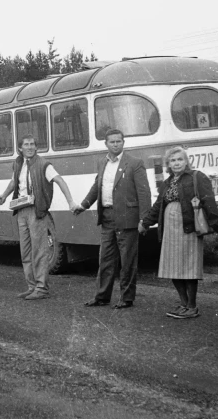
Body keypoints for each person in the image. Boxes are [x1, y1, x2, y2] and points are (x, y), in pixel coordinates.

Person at [140, 146, 218, 318]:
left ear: (186, 161)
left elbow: (209, 202)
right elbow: (158, 205)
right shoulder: (167, 182)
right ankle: (183, 303)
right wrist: (146, 222)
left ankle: (192, 306)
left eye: (180, 159)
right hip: (170, 230)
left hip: (188, 227)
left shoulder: (197, 177)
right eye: (173, 160)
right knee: (172, 266)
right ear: (168, 164)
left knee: (188, 267)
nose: (176, 163)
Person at [73, 129, 151, 309]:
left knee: (127, 260)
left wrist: (143, 219)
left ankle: (127, 298)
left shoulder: (135, 163)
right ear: (106, 144)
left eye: (119, 141)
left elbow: (144, 193)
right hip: (107, 217)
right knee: (106, 259)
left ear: (123, 142)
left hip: (127, 218)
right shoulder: (102, 162)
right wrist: (84, 205)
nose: (116, 144)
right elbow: (96, 186)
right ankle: (102, 296)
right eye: (112, 142)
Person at [0, 134, 79, 300]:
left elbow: (59, 180)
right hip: (21, 211)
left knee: (39, 250)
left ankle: (42, 288)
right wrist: (4, 196)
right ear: (20, 148)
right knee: (25, 251)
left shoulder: (43, 164)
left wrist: (70, 201)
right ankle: (32, 286)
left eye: (32, 144)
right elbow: (14, 183)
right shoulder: (18, 163)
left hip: (37, 210)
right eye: (26, 144)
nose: (30, 147)